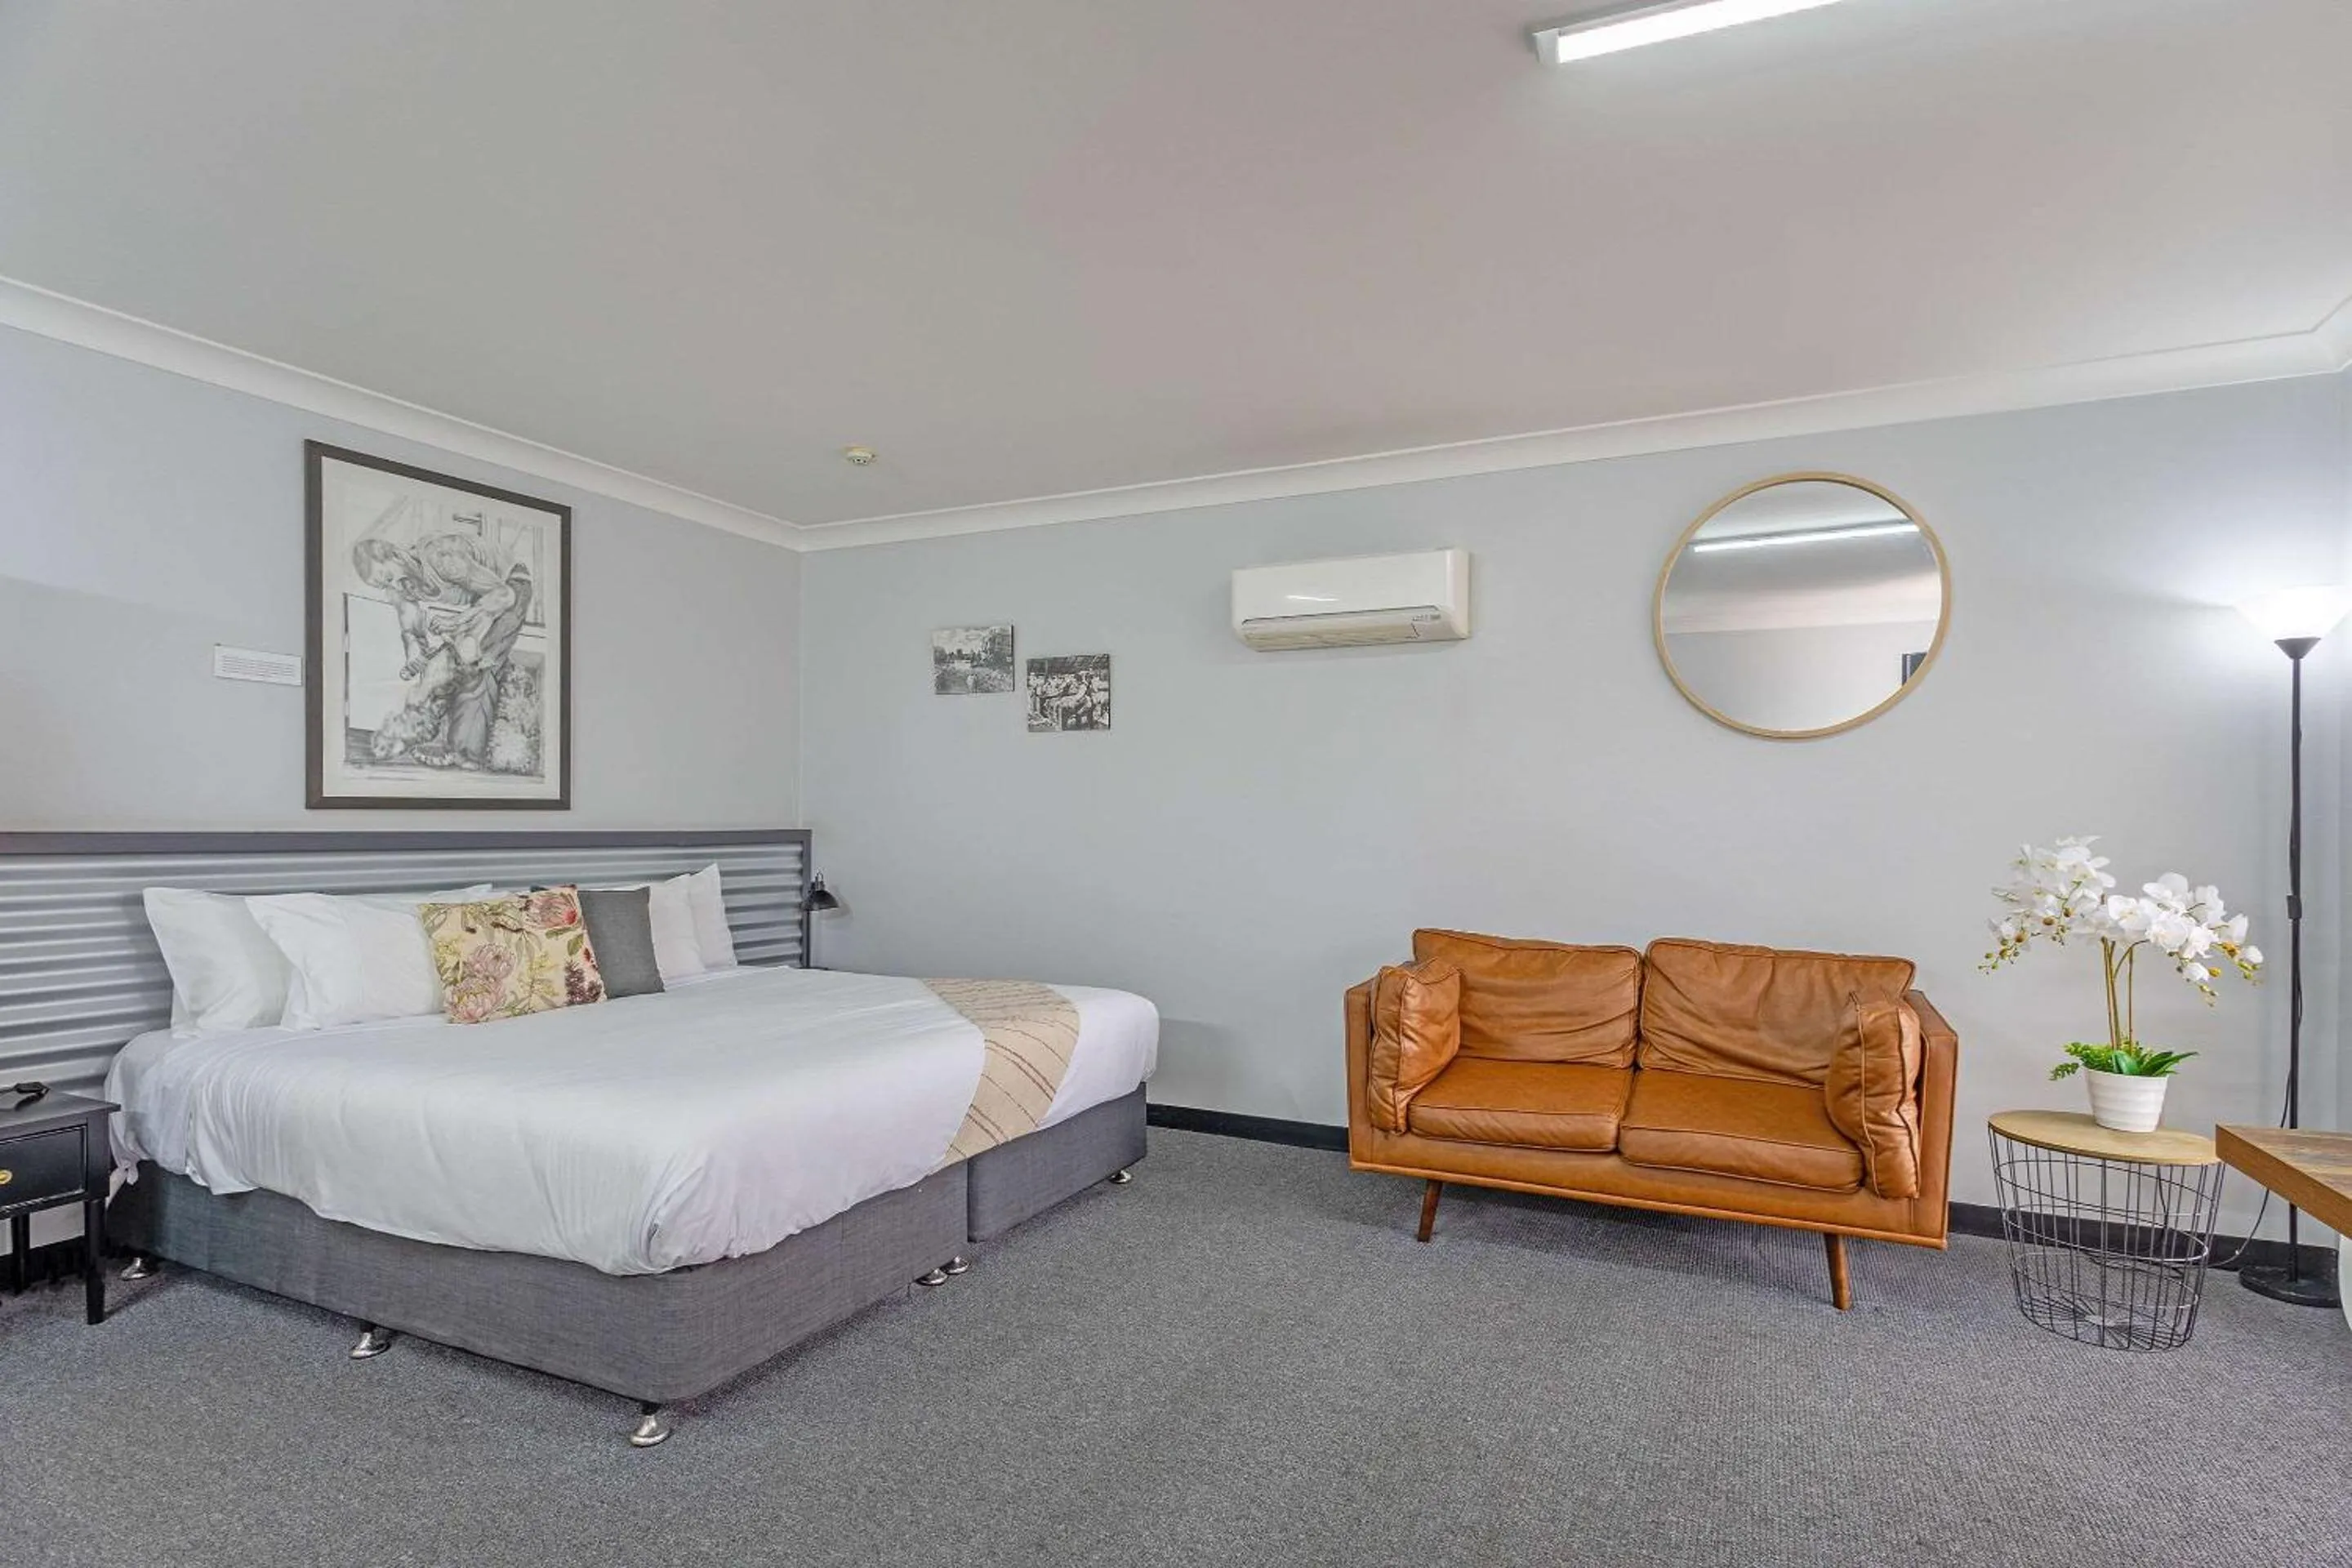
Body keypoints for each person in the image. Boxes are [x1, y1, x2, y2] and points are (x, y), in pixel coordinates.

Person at [352, 532, 535, 771]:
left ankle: (466, 754)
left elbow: (504, 596)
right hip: (482, 602)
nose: (392, 587)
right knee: (438, 669)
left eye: (387, 577)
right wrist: (413, 654)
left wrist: (457, 622)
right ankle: (444, 741)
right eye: (383, 585)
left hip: (511, 586)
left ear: (396, 555)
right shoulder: (400, 585)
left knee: (475, 663)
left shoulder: (441, 557)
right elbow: (410, 626)